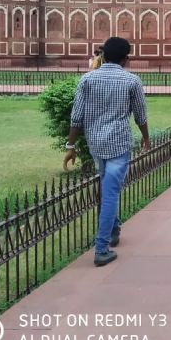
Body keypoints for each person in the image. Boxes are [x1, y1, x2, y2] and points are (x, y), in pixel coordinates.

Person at [63, 36, 150, 267]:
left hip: (96, 144)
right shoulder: (131, 81)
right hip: (119, 144)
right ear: (125, 58)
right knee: (110, 192)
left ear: (102, 55)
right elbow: (140, 116)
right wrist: (146, 138)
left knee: (106, 187)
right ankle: (101, 249)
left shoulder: (87, 79)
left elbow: (76, 116)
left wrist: (70, 147)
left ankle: (113, 230)